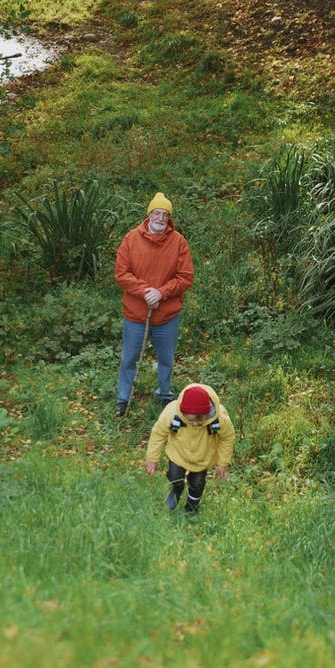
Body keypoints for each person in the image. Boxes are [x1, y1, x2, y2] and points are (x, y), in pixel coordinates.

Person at [114, 192, 194, 416]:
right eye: (157, 213)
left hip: (167, 316)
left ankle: (164, 395)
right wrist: (144, 291)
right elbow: (121, 273)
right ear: (149, 215)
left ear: (169, 219)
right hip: (135, 314)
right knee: (129, 358)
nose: (161, 218)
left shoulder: (178, 242)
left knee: (166, 359)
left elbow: (185, 276)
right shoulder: (131, 239)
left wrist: (161, 292)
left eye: (165, 214)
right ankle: (123, 398)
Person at [145, 383, 235, 516]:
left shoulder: (219, 418)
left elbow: (227, 438)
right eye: (190, 420)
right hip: (178, 453)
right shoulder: (172, 413)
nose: (195, 424)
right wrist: (152, 458)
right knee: (175, 477)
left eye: (199, 420)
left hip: (202, 457)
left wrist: (223, 463)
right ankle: (176, 490)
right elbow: (158, 433)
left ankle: (191, 508)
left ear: (207, 412)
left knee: (197, 484)